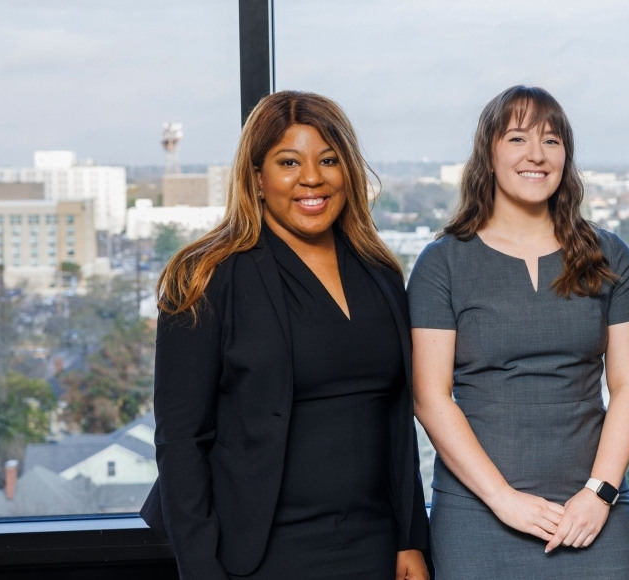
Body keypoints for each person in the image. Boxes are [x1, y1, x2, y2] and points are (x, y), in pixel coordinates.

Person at [140, 90, 430, 580]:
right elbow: (180, 440)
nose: (311, 178)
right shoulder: (206, 277)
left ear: (349, 172)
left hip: (375, 546)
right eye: (288, 162)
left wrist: (409, 541)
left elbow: (397, 420)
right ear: (257, 178)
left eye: (329, 160)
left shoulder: (380, 271)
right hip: (261, 554)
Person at [408, 85, 629, 579]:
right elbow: (430, 397)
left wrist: (599, 492)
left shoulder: (610, 254)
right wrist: (503, 500)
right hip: (477, 511)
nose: (536, 155)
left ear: (567, 156)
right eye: (518, 138)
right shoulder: (442, 263)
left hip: (593, 508)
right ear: (488, 154)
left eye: (552, 140)